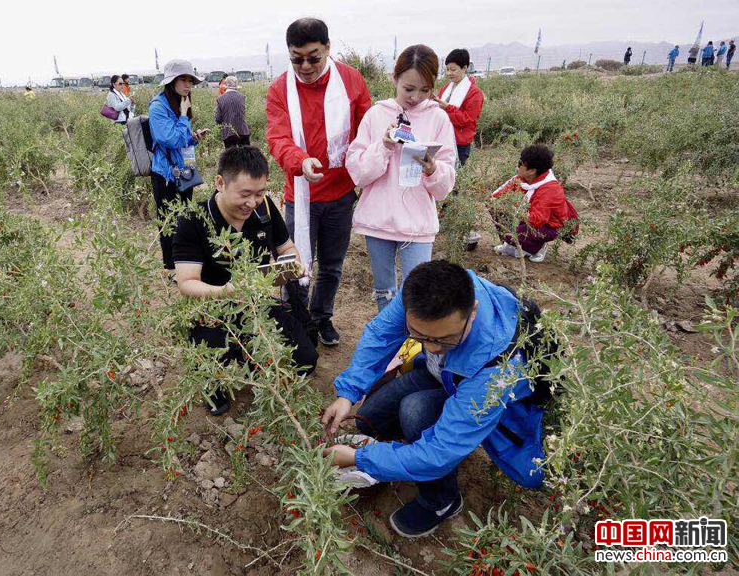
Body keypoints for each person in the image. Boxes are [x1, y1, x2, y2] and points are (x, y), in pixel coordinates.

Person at [321, 260, 545, 538]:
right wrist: (347, 393)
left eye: (445, 340)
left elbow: (439, 453)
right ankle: (405, 451)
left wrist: (360, 458)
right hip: (441, 376)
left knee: (414, 413)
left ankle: (442, 501)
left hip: (479, 392)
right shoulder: (422, 292)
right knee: (370, 420)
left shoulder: (495, 368)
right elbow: (380, 334)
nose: (432, 348)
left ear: (472, 311)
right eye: (419, 336)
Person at [173, 146, 318, 415]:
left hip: (257, 304)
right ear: (220, 183)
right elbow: (187, 282)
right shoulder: (194, 219)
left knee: (306, 361)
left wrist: (293, 263)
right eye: (245, 194)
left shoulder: (263, 208)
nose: (252, 202)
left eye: (260, 193)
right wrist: (227, 291)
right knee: (215, 383)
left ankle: (251, 353)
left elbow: (286, 247)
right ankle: (220, 368)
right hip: (212, 309)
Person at [265, 18, 372, 346]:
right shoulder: (280, 88)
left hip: (340, 194)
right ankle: (293, 323)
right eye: (297, 58)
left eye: (314, 56)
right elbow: (277, 137)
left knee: (331, 266)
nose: (306, 65)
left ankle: (321, 318)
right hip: (299, 195)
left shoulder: (351, 80)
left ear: (328, 47)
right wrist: (301, 161)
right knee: (292, 265)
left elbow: (366, 127)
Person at [346, 44, 456, 312]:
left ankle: (415, 345)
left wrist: (432, 169)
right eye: (409, 89)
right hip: (378, 221)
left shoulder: (439, 118)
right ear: (394, 79)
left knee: (419, 295)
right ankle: (394, 346)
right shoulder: (376, 114)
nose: (416, 97)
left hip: (417, 225)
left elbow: (446, 183)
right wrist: (382, 146)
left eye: (425, 90)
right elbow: (357, 171)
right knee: (384, 292)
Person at [148, 60, 209, 275]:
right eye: (183, 79)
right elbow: (171, 140)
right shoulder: (158, 106)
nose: (188, 84)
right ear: (171, 81)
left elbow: (181, 140)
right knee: (167, 219)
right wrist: (183, 116)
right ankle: (170, 267)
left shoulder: (179, 103)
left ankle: (183, 261)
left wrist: (193, 138)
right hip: (165, 174)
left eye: (190, 80)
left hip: (183, 171)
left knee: (183, 218)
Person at [490, 144, 573, 263]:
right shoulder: (522, 179)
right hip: (528, 217)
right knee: (496, 207)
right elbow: (495, 196)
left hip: (549, 226)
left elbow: (536, 221)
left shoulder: (550, 189)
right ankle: (513, 243)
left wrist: (513, 208)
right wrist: (498, 203)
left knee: (519, 231)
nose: (517, 166)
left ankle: (538, 246)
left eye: (520, 163)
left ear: (532, 171)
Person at [432, 48, 485, 167]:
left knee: (456, 174)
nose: (449, 73)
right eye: (447, 70)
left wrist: (447, 107)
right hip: (442, 138)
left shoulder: (475, 94)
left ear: (464, 68)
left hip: (460, 143)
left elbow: (466, 120)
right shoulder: (446, 88)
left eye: (453, 70)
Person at [215, 76, 251, 148]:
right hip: (243, 131)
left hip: (228, 133)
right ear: (236, 86)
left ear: (226, 86)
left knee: (231, 158)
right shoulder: (242, 97)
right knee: (246, 157)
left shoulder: (220, 99)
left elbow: (218, 119)